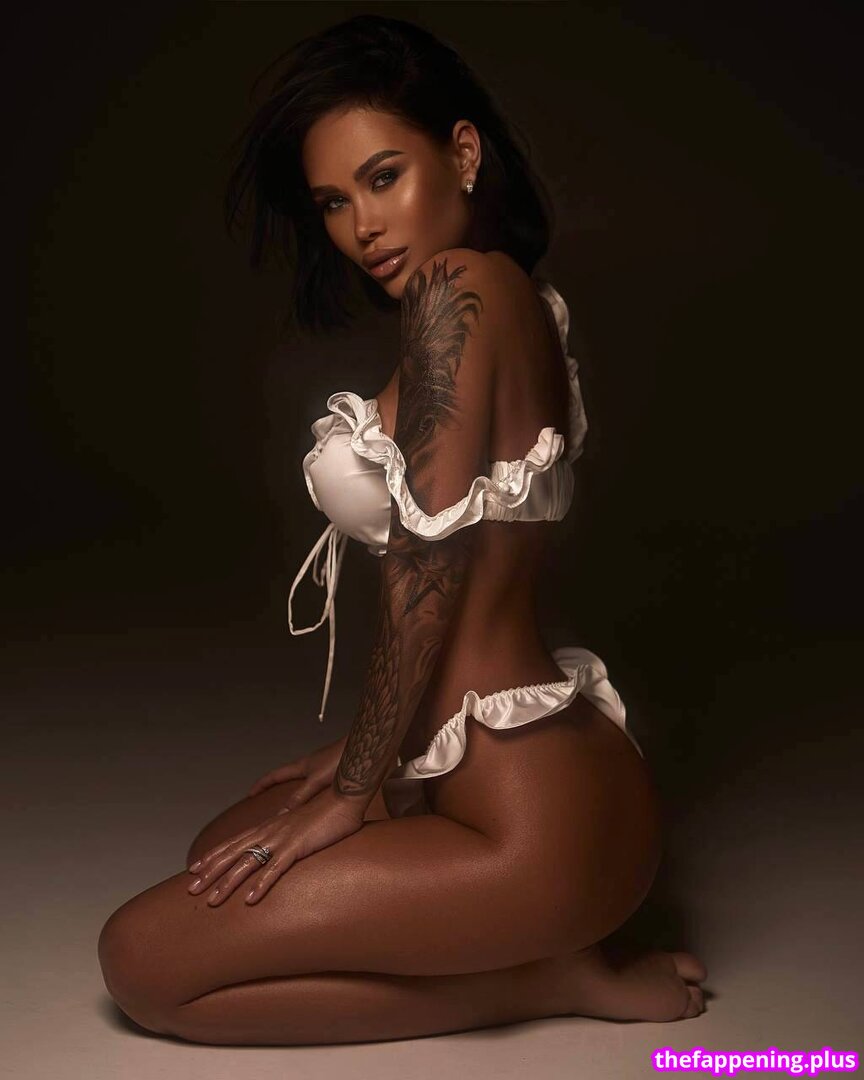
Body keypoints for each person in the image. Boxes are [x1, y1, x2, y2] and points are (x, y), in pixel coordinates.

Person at [97, 14, 707, 1045]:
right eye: (335, 202)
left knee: (143, 965)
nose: (362, 227)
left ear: (462, 155)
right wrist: (364, 752)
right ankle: (533, 948)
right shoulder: (514, 295)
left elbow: (429, 565)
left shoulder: (454, 290)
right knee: (222, 854)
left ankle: (545, 980)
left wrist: (354, 788)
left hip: (532, 824)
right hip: (513, 778)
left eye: (384, 178)